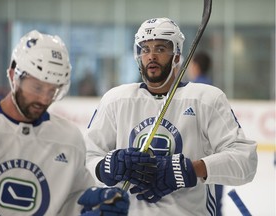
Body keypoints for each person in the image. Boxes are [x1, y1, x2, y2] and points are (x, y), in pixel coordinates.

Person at [84, 17, 258, 216]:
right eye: (145, 49)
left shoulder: (206, 99)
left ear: (176, 56)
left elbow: (246, 162)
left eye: (160, 49)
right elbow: (84, 160)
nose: (151, 56)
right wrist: (106, 167)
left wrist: (192, 169)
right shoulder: (116, 100)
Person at [0, 30, 130, 216]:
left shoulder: (68, 138)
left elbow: (73, 201)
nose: (44, 99)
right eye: (37, 87)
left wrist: (97, 205)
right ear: (14, 74)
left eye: (52, 90)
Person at [188, 51, 224, 216]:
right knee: (215, 204)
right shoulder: (214, 89)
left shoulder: (192, 91)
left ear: (195, 66)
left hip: (200, 159)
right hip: (216, 159)